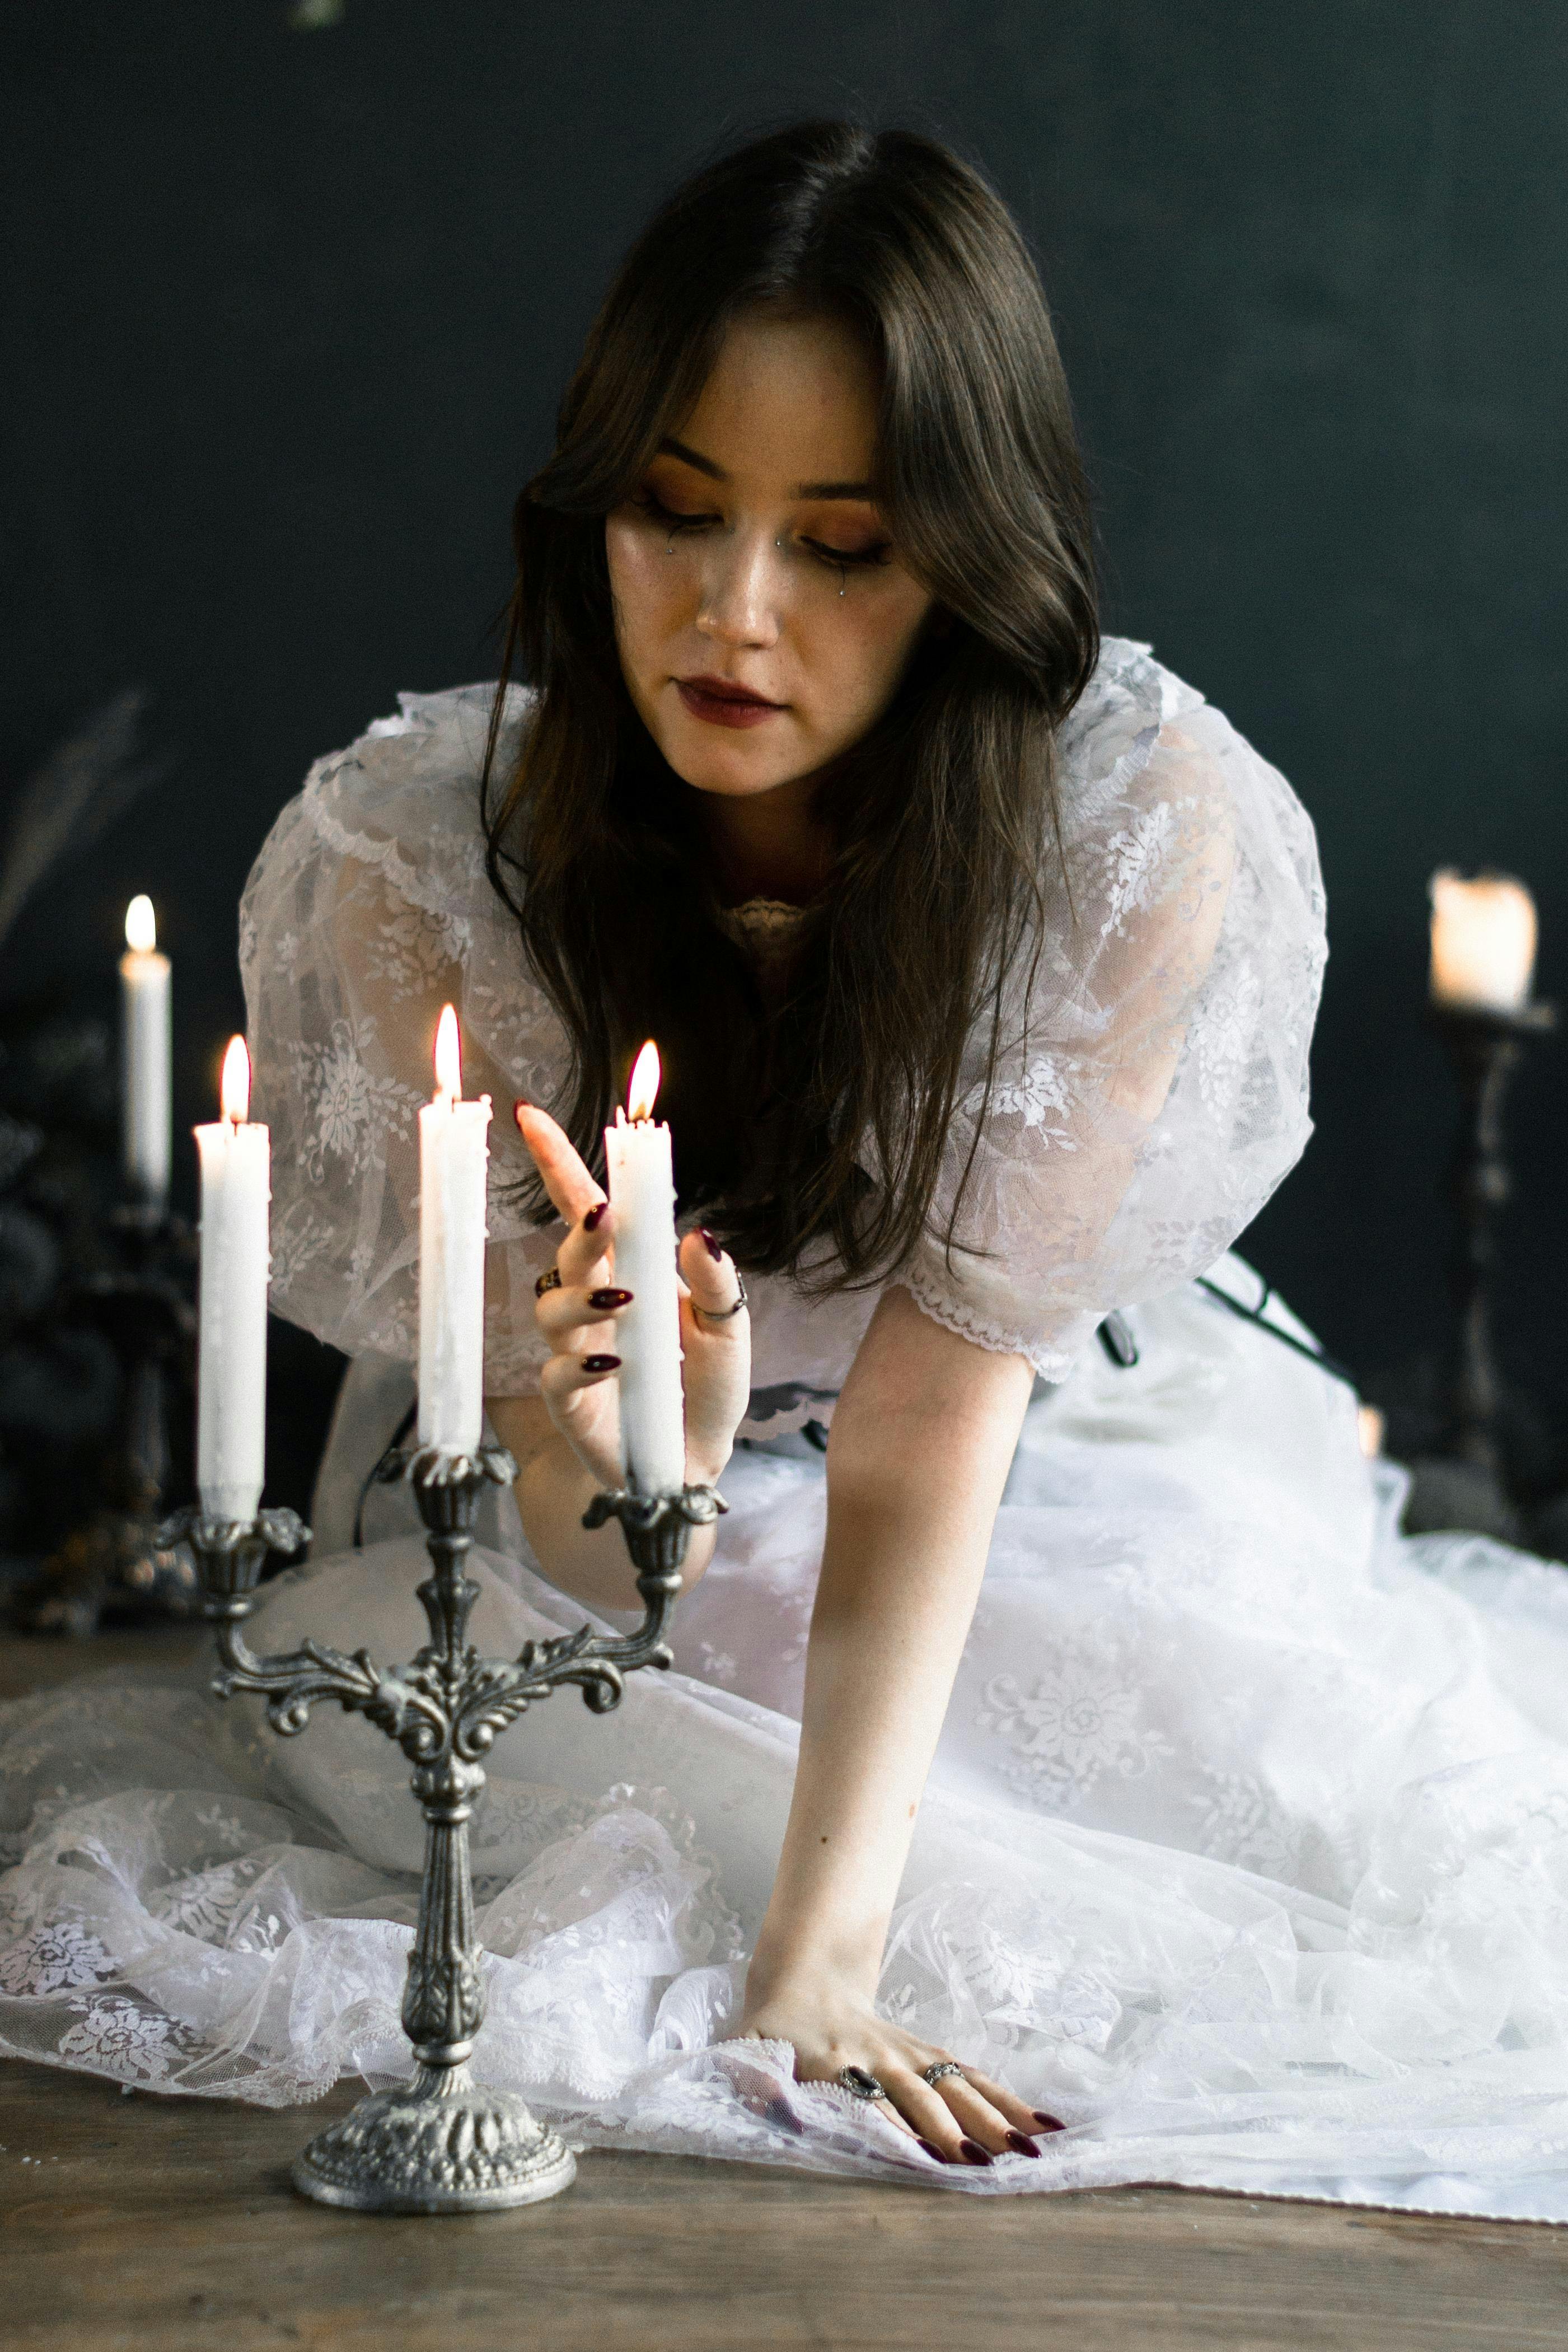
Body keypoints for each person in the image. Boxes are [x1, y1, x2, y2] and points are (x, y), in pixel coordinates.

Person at [6, 123, 1568, 2214]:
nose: (733, 615)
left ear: (967, 559)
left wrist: (819, 1964)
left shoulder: (1129, 821)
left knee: (1160, 1762)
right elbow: (536, 1504)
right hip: (586, 1481)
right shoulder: (424, 861)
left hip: (1027, 1427)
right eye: (675, 513)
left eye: (843, 545)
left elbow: (932, 1414)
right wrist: (642, 1444)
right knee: (587, 1677)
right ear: (597, 509)